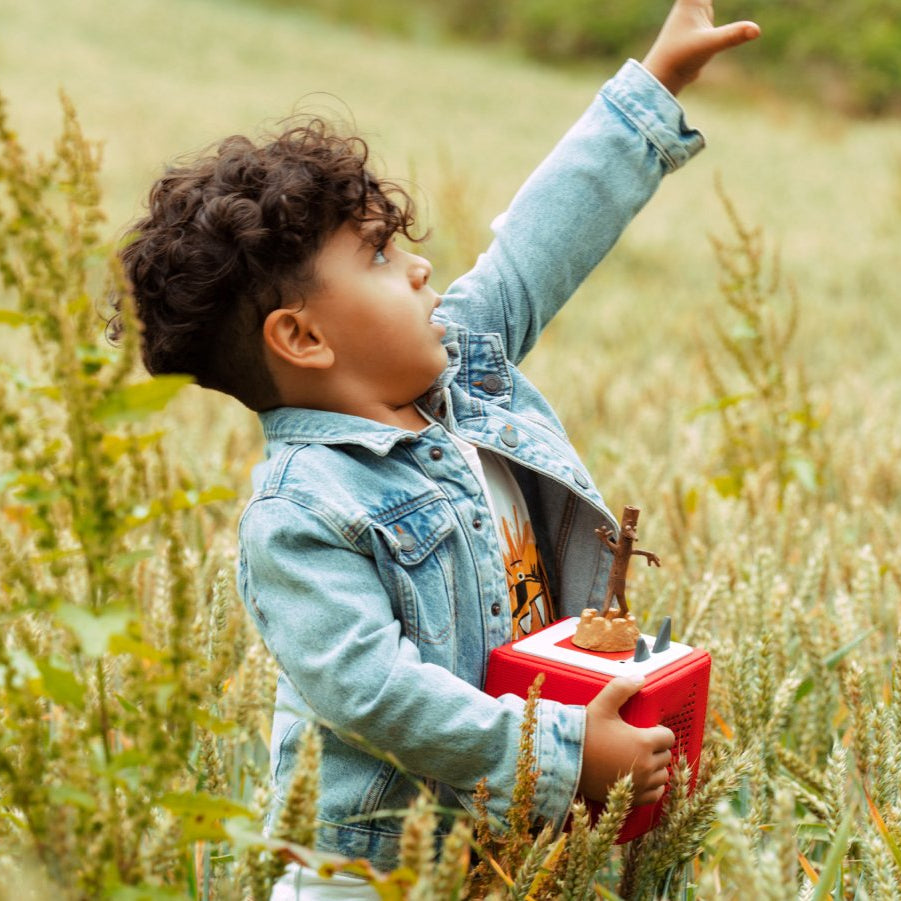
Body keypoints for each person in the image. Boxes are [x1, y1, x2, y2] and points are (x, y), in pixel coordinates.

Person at [116, 1, 759, 896]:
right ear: (301, 338)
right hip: (373, 875)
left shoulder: (461, 366)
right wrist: (562, 755)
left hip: (514, 853)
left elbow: (538, 245)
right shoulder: (302, 511)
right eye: (378, 256)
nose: (419, 267)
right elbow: (375, 692)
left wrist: (654, 86)